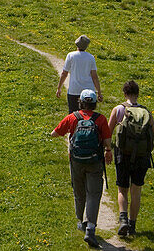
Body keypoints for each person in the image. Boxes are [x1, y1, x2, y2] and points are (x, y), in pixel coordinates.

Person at [52, 88, 113, 247]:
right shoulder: (100, 119)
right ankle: (90, 228)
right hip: (94, 162)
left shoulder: (73, 117)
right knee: (93, 193)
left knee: (79, 192)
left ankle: (80, 221)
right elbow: (107, 141)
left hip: (76, 161)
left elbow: (55, 133)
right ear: (94, 104)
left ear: (80, 102)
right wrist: (108, 152)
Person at [108, 80, 154, 238]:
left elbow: (108, 131)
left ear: (124, 93)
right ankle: (132, 226)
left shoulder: (118, 109)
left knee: (122, 189)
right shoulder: (146, 112)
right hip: (142, 156)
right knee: (136, 190)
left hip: (123, 153)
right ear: (137, 94)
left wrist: (106, 150)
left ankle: (123, 220)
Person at [56, 35, 103, 112]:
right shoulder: (91, 57)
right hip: (89, 92)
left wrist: (59, 88)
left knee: (73, 115)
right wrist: (99, 92)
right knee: (88, 114)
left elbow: (64, 73)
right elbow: (94, 76)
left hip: (74, 90)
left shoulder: (71, 55)